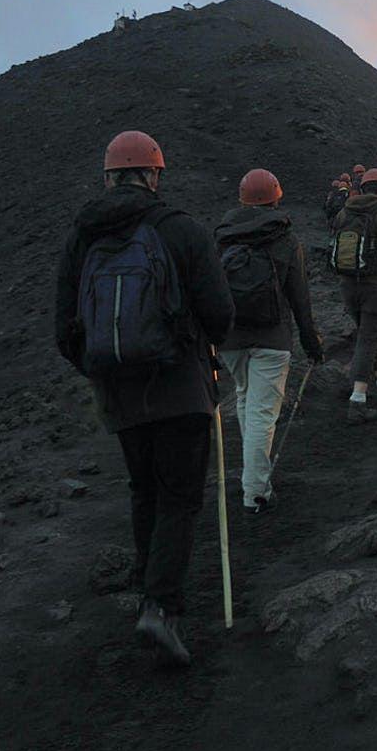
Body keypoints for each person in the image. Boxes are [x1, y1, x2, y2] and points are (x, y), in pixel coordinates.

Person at [54, 130, 233, 666]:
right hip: (180, 385)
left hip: (118, 394)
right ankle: (161, 607)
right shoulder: (181, 231)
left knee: (144, 492)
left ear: (108, 176)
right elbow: (219, 314)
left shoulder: (82, 237)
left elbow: (65, 328)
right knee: (180, 497)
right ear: (155, 174)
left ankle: (146, 594)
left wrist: (102, 369)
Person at [216, 169, 324, 514]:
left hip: (231, 339)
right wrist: (311, 342)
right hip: (272, 338)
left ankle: (254, 478)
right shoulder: (286, 239)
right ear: (277, 197)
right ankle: (255, 493)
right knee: (263, 413)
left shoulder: (223, 237)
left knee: (247, 400)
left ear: (242, 199)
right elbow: (299, 297)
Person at [329, 167, 377, 422]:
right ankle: (358, 398)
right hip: (376, 286)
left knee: (368, 334)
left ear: (362, 188)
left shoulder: (344, 213)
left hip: (347, 285)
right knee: (367, 339)